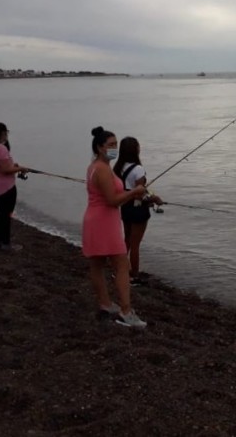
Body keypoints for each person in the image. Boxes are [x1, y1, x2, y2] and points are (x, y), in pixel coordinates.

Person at [82, 126, 147, 328]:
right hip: (103, 221)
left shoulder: (95, 166)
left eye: (116, 144)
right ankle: (125, 311)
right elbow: (112, 200)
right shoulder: (101, 169)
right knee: (121, 264)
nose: (114, 148)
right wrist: (135, 192)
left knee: (98, 264)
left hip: (96, 219)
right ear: (100, 148)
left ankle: (105, 303)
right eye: (110, 145)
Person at [113, 136, 163, 285]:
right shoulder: (138, 168)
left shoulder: (117, 167)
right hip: (138, 210)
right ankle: (134, 276)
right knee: (135, 245)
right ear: (135, 150)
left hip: (125, 207)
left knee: (126, 241)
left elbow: (128, 190)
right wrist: (155, 199)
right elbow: (141, 193)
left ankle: (119, 271)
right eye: (138, 146)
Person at [0, 122, 29, 251]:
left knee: (1, 215)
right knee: (6, 215)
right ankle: (6, 244)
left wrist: (14, 167)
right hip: (6, 187)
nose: (6, 135)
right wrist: (21, 168)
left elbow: (1, 167)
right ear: (0, 133)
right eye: (5, 132)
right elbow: (5, 169)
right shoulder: (1, 149)